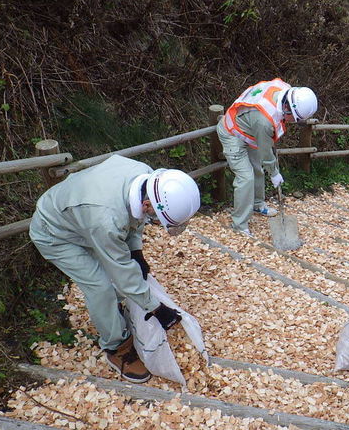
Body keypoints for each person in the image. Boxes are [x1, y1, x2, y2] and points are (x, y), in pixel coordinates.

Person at [29, 154, 201, 384]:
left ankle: (114, 317)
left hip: (81, 216)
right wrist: (156, 308)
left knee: (121, 275)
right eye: (157, 218)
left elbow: (135, 219)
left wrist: (136, 251)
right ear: (148, 204)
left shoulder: (145, 175)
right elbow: (121, 271)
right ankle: (116, 347)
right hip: (54, 233)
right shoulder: (106, 220)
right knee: (100, 287)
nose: (156, 223)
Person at [217, 78, 318, 236]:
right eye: (296, 119)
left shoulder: (284, 90)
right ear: (288, 109)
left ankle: (257, 204)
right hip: (232, 133)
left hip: (249, 129)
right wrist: (275, 173)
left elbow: (265, 146)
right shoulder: (265, 121)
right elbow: (266, 153)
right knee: (246, 178)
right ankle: (239, 224)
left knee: (257, 169)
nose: (294, 123)